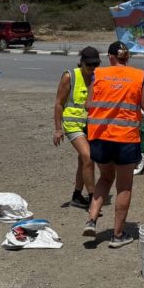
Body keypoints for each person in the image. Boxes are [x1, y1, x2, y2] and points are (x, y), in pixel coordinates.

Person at [83, 41, 144, 247]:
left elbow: (88, 105)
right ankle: (117, 235)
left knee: (105, 178)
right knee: (124, 186)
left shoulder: (98, 74)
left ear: (110, 57)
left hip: (100, 137)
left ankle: (92, 219)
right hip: (125, 139)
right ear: (127, 57)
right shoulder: (139, 76)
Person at [53, 47, 100, 208]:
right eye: (89, 65)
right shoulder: (70, 76)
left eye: (95, 65)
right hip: (72, 124)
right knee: (88, 157)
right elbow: (59, 103)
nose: (92, 68)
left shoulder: (97, 77)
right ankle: (93, 199)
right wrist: (58, 129)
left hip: (90, 125)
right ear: (81, 62)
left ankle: (77, 196)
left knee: (82, 160)